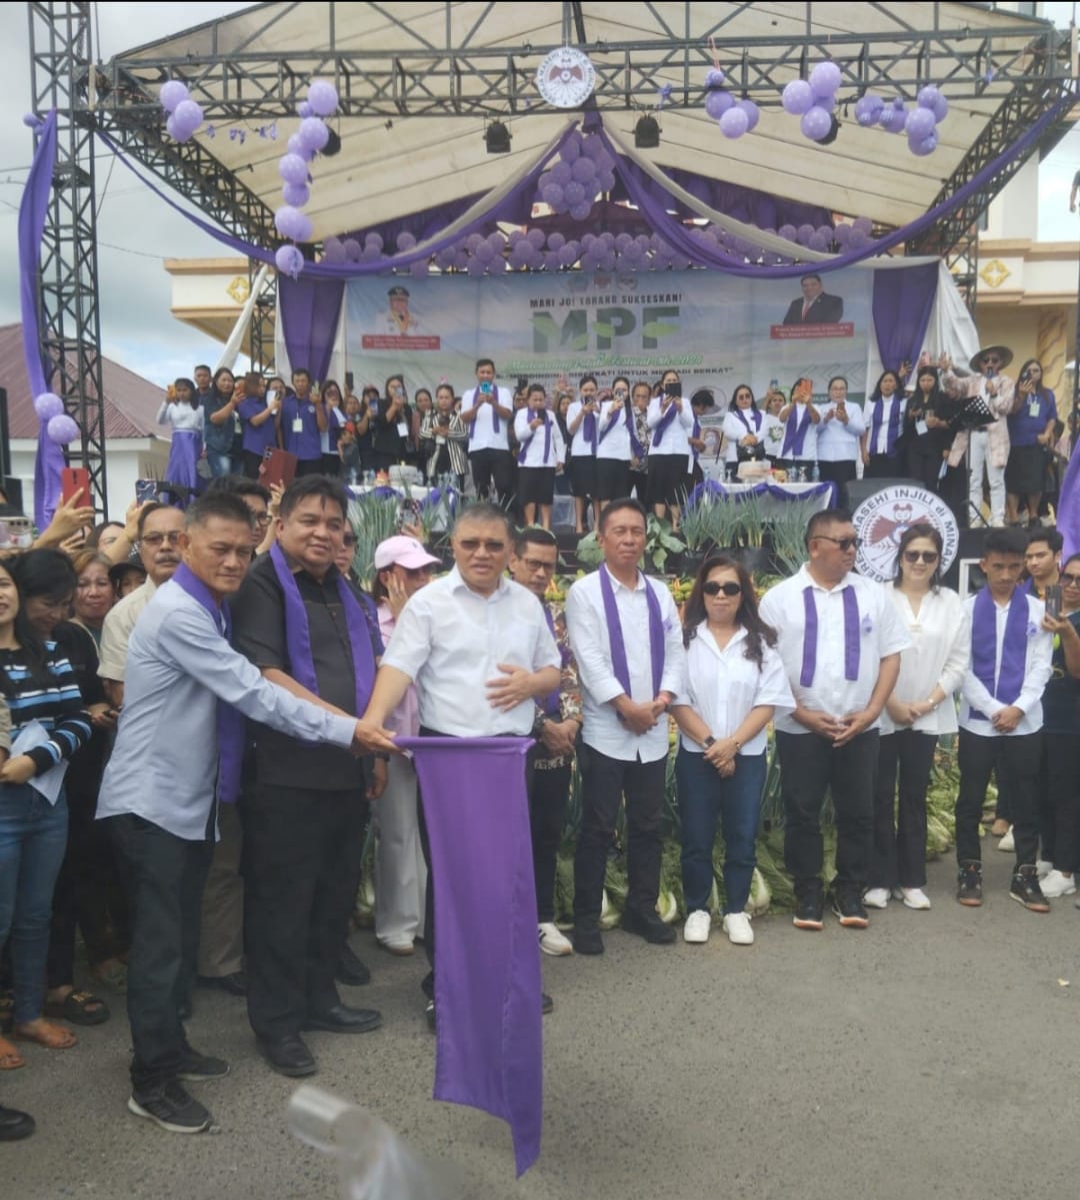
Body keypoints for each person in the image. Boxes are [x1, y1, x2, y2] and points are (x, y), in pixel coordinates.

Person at [96, 490, 395, 1132]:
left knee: (178, 939)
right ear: (186, 545)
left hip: (188, 801)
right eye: (220, 549)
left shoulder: (210, 605)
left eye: (241, 549)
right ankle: (151, 1082)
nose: (233, 561)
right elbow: (254, 693)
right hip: (150, 802)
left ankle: (171, 1050)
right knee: (159, 950)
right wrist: (350, 732)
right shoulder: (180, 615)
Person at [362, 502, 561, 1026]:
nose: (481, 554)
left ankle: (506, 979)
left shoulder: (527, 604)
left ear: (510, 550)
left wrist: (532, 684)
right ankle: (445, 986)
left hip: (509, 755)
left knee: (507, 874)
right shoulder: (428, 604)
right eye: (470, 543)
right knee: (451, 876)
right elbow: (398, 667)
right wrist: (372, 723)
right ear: (452, 545)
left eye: (494, 545)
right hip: (447, 756)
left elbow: (552, 670)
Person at [231, 476, 388, 1078]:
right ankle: (276, 1024)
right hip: (285, 775)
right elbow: (267, 675)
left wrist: (371, 752)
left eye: (334, 524)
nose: (323, 534)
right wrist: (351, 730)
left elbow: (368, 674)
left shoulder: (344, 588)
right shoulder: (262, 584)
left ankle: (320, 999)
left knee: (331, 897)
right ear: (280, 524)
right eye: (310, 521)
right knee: (282, 904)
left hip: (346, 770)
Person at [759, 509, 910, 930]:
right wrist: (803, 714)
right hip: (800, 727)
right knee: (802, 811)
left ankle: (850, 890)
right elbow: (768, 666)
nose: (852, 550)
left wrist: (872, 711)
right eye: (843, 542)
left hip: (859, 726)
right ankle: (808, 892)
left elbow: (891, 656)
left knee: (859, 811)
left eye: (855, 542)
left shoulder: (873, 595)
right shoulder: (780, 599)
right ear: (815, 546)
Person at [565, 499, 686, 954]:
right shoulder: (584, 594)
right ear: (601, 539)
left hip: (651, 727)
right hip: (606, 730)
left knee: (648, 826)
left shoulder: (659, 592)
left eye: (637, 531)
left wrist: (661, 701)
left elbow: (675, 652)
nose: (630, 540)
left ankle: (641, 909)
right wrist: (625, 706)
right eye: (620, 531)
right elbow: (590, 659)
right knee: (597, 827)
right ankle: (585, 919)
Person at [11, 551, 120, 1027]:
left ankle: (51, 988)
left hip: (64, 785)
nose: (56, 613)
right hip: (11, 794)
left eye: (63, 603)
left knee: (54, 894)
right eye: (47, 603)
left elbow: (81, 708)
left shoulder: (66, 641)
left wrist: (87, 718)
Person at [671, 554, 794, 946]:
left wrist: (733, 745)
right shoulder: (684, 641)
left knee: (742, 834)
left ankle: (736, 909)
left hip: (747, 756)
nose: (721, 595)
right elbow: (677, 700)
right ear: (701, 593)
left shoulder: (762, 643)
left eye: (730, 588)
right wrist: (714, 746)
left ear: (743, 594)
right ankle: (697, 909)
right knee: (696, 836)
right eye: (712, 587)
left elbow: (768, 701)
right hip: (698, 755)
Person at [0, 556, 93, 1073]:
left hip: (48, 800)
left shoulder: (49, 651)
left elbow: (77, 719)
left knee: (36, 916)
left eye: (4, 583)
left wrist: (37, 758)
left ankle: (29, 1015)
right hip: (2, 809)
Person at [867, 525, 969, 910]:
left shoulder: (950, 602)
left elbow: (958, 663)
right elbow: (867, 654)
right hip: (881, 713)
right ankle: (880, 878)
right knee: (879, 795)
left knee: (913, 796)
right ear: (900, 557)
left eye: (929, 555)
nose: (920, 562)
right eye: (913, 554)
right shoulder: (878, 596)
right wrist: (891, 702)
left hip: (926, 715)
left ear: (939, 560)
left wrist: (927, 703)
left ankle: (911, 880)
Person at [953, 527, 1054, 910]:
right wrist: (994, 708)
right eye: (998, 566)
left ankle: (1025, 874)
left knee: (1026, 798)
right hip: (979, 722)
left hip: (1024, 722)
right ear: (984, 564)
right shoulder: (965, 611)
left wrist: (1018, 708)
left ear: (1023, 567)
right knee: (970, 798)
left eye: (1014, 567)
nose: (1007, 575)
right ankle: (969, 870)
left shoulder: (1037, 611)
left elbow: (1042, 666)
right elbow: (961, 667)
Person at [509, 527, 583, 958]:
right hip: (515, 738)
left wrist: (570, 722)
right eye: (532, 564)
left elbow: (568, 671)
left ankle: (542, 916)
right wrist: (544, 727)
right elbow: (502, 680)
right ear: (513, 561)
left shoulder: (554, 614)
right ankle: (510, 919)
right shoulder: (498, 613)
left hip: (557, 738)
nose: (540, 573)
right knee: (512, 832)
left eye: (548, 566)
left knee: (547, 829)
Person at [369, 535, 439, 955]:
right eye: (413, 572)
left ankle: (429, 919)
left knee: (432, 834)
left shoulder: (435, 616)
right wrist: (400, 620)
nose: (424, 578)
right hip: (394, 740)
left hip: (433, 738)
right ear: (387, 577)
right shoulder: (373, 623)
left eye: (427, 570)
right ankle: (397, 922)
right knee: (397, 832)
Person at [97, 503, 186, 711]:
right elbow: (122, 695)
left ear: (190, 543)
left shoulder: (217, 599)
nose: (165, 546)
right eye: (154, 539)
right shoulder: (122, 616)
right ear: (140, 547)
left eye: (175, 538)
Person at [1036, 554, 1080, 898]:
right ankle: (1049, 857)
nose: (1074, 586)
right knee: (1044, 792)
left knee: (1068, 796)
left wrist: (1067, 632)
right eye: (1069, 578)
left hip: (1071, 721)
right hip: (1038, 717)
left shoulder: (1069, 622)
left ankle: (1066, 870)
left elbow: (1077, 670)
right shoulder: (1046, 612)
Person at [943, 346, 1015, 528]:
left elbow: (1006, 407)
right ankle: (974, 518)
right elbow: (954, 387)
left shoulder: (1006, 382)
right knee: (974, 479)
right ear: (981, 364)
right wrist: (947, 370)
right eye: (986, 360)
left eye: (994, 360)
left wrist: (994, 393)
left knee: (996, 479)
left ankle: (997, 517)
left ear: (1000, 363)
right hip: (974, 433)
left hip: (995, 435)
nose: (990, 363)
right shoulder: (973, 381)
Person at [1005, 358, 1057, 527]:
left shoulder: (1047, 394)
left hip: (1037, 443)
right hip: (1016, 442)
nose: (1033, 374)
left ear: (1041, 374)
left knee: (1036, 482)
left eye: (1036, 371)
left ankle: (1033, 515)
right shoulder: (1014, 390)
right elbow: (1011, 410)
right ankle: (1014, 517)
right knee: (1014, 482)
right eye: (1029, 370)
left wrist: (1047, 433)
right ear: (1023, 372)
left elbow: (1052, 417)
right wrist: (1022, 395)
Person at [903, 362, 963, 498]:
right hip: (915, 448)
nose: (926, 383)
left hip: (935, 447)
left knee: (931, 482)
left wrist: (946, 446)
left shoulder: (943, 398)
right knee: (916, 481)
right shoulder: (912, 400)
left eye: (929, 380)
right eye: (923, 380)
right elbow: (906, 427)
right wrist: (910, 417)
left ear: (935, 381)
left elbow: (951, 424)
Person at [460, 359, 515, 502]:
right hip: (477, 446)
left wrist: (493, 402)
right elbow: (464, 418)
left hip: (499, 446)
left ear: (494, 374)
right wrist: (477, 405)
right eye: (482, 372)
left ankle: (504, 514)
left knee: (504, 486)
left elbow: (508, 415)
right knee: (481, 488)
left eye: (488, 372)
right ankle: (484, 515)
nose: (485, 375)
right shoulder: (469, 394)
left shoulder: (503, 392)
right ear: (476, 374)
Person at [646, 369, 695, 530]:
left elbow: (689, 423)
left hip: (679, 451)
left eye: (675, 381)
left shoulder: (685, 402)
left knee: (676, 492)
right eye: (669, 381)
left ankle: (676, 526)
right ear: (662, 384)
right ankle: (660, 526)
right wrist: (662, 408)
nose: (672, 383)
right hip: (659, 451)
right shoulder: (655, 402)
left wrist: (680, 409)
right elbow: (650, 423)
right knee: (659, 491)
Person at [514, 384, 566, 530]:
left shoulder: (550, 414)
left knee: (546, 497)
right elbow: (519, 436)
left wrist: (560, 458)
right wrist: (531, 426)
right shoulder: (522, 414)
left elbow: (558, 437)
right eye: (535, 399)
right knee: (529, 497)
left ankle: (546, 527)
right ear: (528, 400)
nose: (538, 402)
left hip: (547, 462)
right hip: (528, 462)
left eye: (541, 400)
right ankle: (531, 525)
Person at [814, 376, 866, 506]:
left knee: (845, 495)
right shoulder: (821, 408)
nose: (838, 392)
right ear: (829, 392)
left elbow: (861, 430)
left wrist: (846, 421)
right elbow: (815, 430)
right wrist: (825, 419)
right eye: (835, 389)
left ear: (846, 391)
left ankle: (844, 517)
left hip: (846, 456)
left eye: (842, 389)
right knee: (827, 494)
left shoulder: (854, 407)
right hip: (825, 457)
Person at [596, 377, 640, 506]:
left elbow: (633, 433)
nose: (621, 393)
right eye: (618, 390)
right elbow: (601, 426)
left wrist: (635, 454)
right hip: (606, 456)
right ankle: (606, 519)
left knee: (621, 496)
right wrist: (611, 411)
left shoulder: (630, 410)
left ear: (628, 392)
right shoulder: (606, 405)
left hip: (623, 457)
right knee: (605, 495)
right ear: (612, 391)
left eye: (624, 390)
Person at [157, 379, 203, 501]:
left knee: (192, 470)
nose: (182, 393)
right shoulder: (172, 407)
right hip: (178, 443)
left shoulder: (200, 409)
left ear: (191, 391)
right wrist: (166, 402)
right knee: (176, 470)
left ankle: (192, 501)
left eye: (185, 390)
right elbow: (160, 420)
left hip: (193, 444)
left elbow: (204, 430)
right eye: (179, 390)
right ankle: (173, 500)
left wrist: (205, 447)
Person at [566, 375, 601, 533]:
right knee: (579, 491)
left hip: (597, 453)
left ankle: (597, 524)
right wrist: (582, 413)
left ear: (597, 391)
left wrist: (597, 412)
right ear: (580, 391)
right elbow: (571, 429)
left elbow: (605, 428)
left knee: (596, 492)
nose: (589, 392)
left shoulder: (602, 407)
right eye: (586, 390)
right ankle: (579, 524)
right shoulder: (574, 407)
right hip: (579, 453)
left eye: (592, 390)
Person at [419, 383, 468, 491]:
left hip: (456, 460)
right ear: (437, 399)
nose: (444, 400)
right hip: (435, 458)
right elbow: (421, 433)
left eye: (447, 397)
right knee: (434, 494)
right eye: (441, 398)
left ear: (452, 399)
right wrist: (433, 431)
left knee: (456, 494)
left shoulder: (460, 415)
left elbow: (465, 434)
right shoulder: (430, 415)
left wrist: (449, 433)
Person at [280, 369, 326, 477]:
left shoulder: (317, 402)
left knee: (311, 486)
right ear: (292, 382)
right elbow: (279, 428)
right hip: (290, 455)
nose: (300, 384)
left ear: (308, 382)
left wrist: (318, 405)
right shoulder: (285, 403)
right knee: (292, 486)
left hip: (311, 455)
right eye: (297, 381)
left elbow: (323, 427)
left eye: (303, 381)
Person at [861, 370, 907, 478]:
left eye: (891, 381)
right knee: (872, 484)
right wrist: (863, 451)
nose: (887, 384)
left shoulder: (904, 402)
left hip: (896, 452)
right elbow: (865, 428)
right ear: (880, 384)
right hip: (874, 451)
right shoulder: (871, 403)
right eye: (885, 381)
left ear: (896, 385)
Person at [721, 384, 772, 482]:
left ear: (751, 398)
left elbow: (765, 430)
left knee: (758, 489)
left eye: (747, 396)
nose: (745, 399)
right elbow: (727, 431)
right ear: (736, 401)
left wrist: (754, 439)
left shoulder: (761, 414)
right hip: (735, 459)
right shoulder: (730, 415)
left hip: (758, 459)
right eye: (741, 397)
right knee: (736, 489)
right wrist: (744, 436)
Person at [237, 372, 281, 479]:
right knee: (255, 479)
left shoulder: (265, 402)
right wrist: (270, 409)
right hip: (254, 448)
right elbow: (255, 421)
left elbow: (275, 425)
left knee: (269, 479)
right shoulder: (244, 403)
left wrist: (278, 409)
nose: (263, 389)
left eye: (264, 386)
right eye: (260, 386)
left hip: (270, 448)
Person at [776, 377, 820, 476]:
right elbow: (782, 418)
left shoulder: (815, 407)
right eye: (798, 389)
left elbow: (816, 420)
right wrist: (793, 403)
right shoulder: (786, 407)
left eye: (805, 389)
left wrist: (808, 404)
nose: (801, 392)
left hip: (806, 455)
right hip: (786, 454)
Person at [370, 375, 412, 474]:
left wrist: (401, 411)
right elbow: (381, 423)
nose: (396, 389)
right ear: (387, 389)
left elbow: (406, 429)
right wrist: (394, 406)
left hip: (401, 450)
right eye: (392, 387)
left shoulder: (407, 407)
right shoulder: (380, 403)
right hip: (384, 451)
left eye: (399, 387)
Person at [203, 367, 239, 479]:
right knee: (223, 484)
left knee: (237, 485)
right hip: (219, 448)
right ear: (216, 381)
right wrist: (232, 404)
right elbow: (215, 418)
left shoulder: (238, 399)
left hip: (237, 450)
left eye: (230, 380)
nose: (227, 384)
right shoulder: (210, 398)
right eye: (224, 380)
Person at [629, 381, 652, 502]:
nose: (640, 400)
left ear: (649, 399)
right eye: (637, 396)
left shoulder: (653, 415)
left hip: (647, 467)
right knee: (624, 500)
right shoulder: (627, 414)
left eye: (644, 397)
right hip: (630, 465)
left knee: (645, 502)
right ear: (632, 397)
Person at [1023, 528, 1061, 599]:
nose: (1034, 562)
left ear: (1057, 556)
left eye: (1041, 556)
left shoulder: (1072, 590)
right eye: (1029, 557)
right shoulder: (1018, 594)